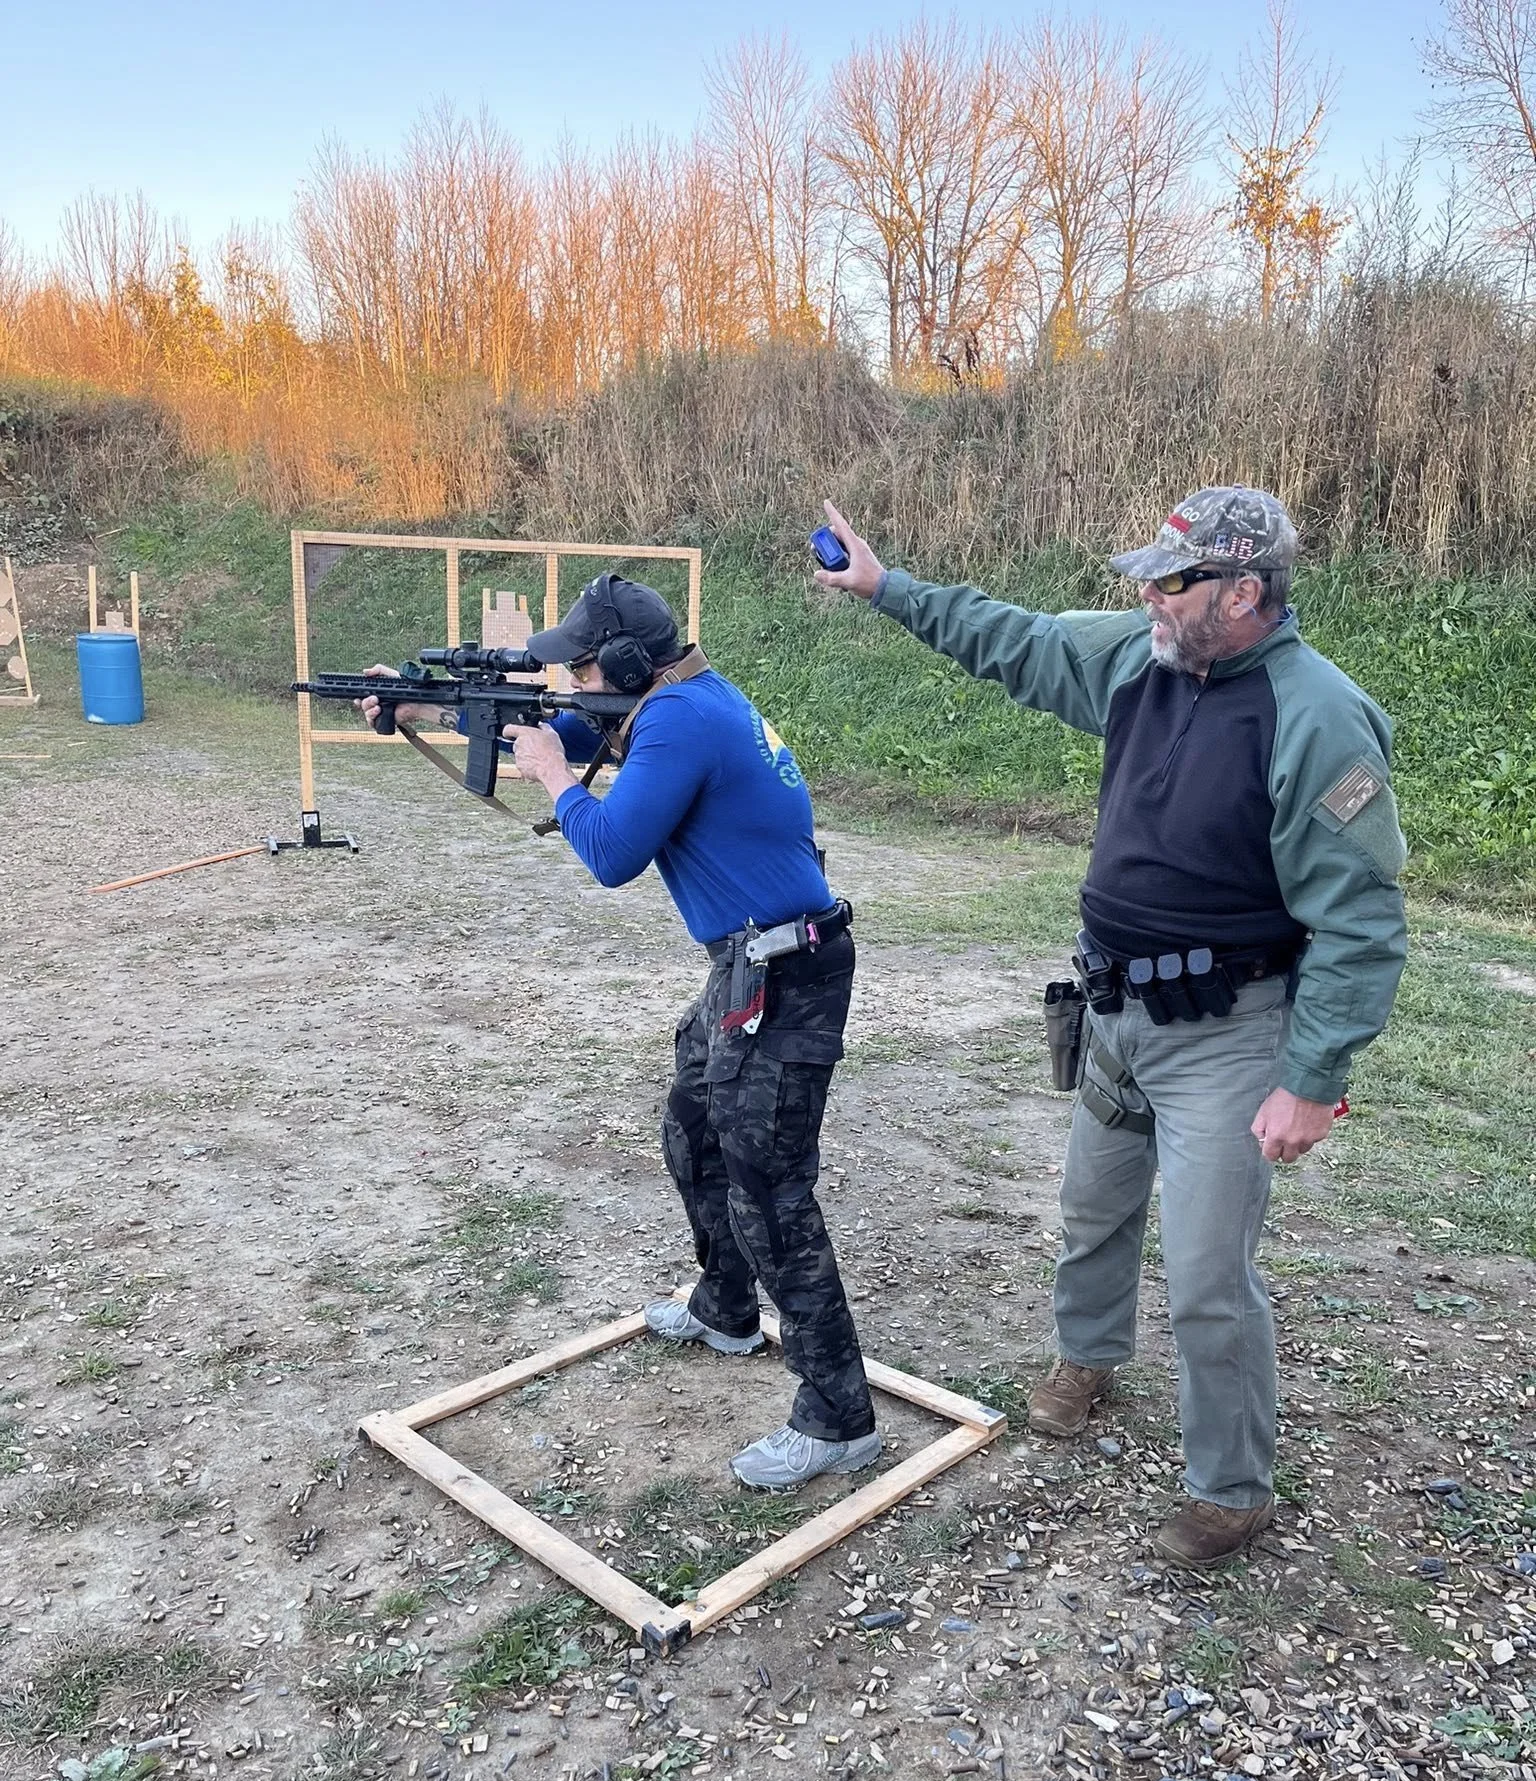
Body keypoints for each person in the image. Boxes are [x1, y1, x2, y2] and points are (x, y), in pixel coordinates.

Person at [815, 488, 1408, 1567]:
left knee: (1209, 1276)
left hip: (1230, 1032)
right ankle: (1087, 1358)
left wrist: (1313, 1076)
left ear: (1244, 592)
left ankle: (1233, 1489)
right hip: (1116, 1009)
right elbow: (1017, 638)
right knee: (1092, 1209)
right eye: (1150, 574)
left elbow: (1362, 923)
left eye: (1173, 580)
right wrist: (886, 587)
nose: (1148, 592)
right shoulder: (1145, 657)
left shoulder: (1317, 715)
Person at [361, 576, 881, 1492]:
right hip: (749, 967)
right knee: (692, 1127)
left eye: (586, 664)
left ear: (632, 664)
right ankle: (725, 1307)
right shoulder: (679, 700)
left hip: (786, 977)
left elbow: (609, 852)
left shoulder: (678, 722)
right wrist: (422, 705)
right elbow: (548, 730)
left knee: (772, 1193)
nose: (571, 680)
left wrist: (558, 784)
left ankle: (838, 1416)